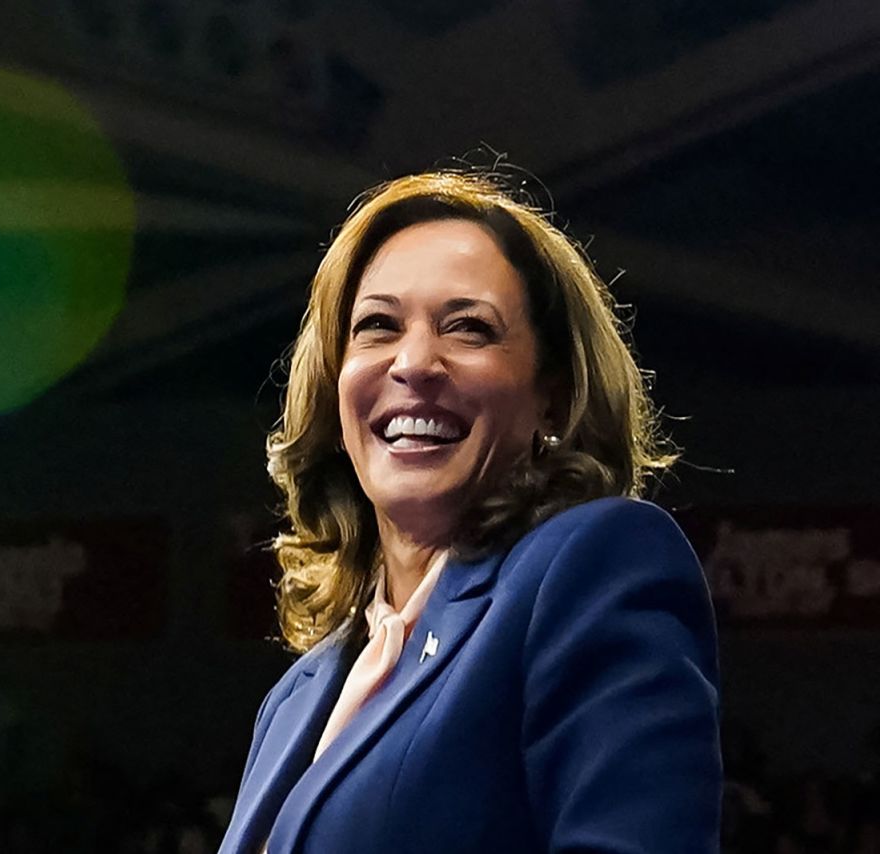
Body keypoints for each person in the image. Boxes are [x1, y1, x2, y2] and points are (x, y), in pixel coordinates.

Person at [219, 170, 722, 853]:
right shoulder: (295, 696)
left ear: (553, 396)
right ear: (335, 395)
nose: (415, 362)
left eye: (469, 329)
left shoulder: (592, 566)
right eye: (377, 327)